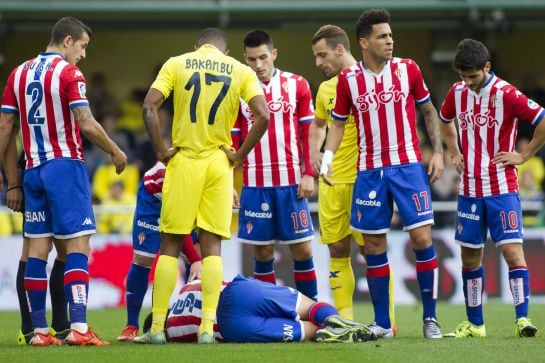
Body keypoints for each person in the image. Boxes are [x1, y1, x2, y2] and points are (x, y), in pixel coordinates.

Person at [0, 17, 128, 347]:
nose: (83, 54)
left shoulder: (19, 73)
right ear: (67, 41)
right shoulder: (70, 74)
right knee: (78, 246)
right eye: (83, 46)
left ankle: (40, 332)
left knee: (37, 250)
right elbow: (85, 123)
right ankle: (79, 327)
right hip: (65, 167)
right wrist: (115, 150)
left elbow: (4, 129)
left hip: (33, 170)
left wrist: (12, 182)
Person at [137, 28, 269, 344]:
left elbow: (148, 107)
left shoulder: (177, 63)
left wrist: (159, 150)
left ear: (197, 46)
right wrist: (238, 155)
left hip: (183, 160)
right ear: (224, 51)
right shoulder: (241, 70)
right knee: (211, 247)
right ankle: (207, 329)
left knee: (170, 243)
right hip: (218, 164)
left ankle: (156, 329)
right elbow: (263, 116)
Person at [320, 9, 444, 339]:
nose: (390, 40)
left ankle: (430, 319)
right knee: (373, 245)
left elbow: (429, 110)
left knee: (421, 238)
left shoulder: (409, 69)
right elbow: (337, 123)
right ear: (364, 42)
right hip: (370, 171)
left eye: (390, 35)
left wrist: (440, 152)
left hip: (408, 168)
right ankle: (382, 325)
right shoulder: (349, 81)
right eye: (382, 36)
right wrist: (327, 156)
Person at [439, 38, 544, 338]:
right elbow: (445, 120)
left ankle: (522, 319)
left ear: (487, 67)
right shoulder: (456, 92)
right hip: (469, 191)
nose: (468, 83)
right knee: (470, 257)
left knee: (512, 253)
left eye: (473, 77)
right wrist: (454, 150)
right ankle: (476, 324)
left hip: (502, 189)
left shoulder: (506, 93)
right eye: (463, 76)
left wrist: (523, 155)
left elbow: (542, 119)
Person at [310, 24, 396, 330]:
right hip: (332, 182)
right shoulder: (324, 90)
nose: (319, 63)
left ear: (339, 49)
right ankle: (346, 319)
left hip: (365, 179)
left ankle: (387, 320)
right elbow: (319, 125)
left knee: (372, 248)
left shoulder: (367, 81)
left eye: (322, 55)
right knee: (337, 248)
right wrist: (314, 156)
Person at [233, 30, 317, 300]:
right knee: (263, 252)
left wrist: (308, 173)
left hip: (291, 183)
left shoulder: (297, 84)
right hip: (255, 185)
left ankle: (312, 311)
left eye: (263, 57)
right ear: (244, 59)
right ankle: (268, 310)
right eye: (251, 59)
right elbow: (233, 141)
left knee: (303, 250)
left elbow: (309, 133)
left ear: (274, 55)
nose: (258, 65)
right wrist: (228, 182)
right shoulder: (238, 91)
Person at [142, 275, 376, 344]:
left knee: (303, 331)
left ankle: (337, 333)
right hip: (237, 292)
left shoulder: (172, 332)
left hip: (231, 328)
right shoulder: (185, 289)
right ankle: (342, 322)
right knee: (307, 306)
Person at [117, 161, 202, 341]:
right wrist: (194, 258)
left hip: (188, 197)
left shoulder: (212, 161)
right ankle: (132, 325)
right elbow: (176, 223)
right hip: (153, 197)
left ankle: (194, 320)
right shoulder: (176, 169)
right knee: (143, 259)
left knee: (200, 251)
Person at [3, 147, 70, 345]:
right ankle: (32, 327)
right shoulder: (17, 115)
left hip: (48, 169)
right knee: (36, 248)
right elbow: (6, 129)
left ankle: (55, 326)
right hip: (41, 168)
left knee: (61, 248)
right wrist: (13, 184)